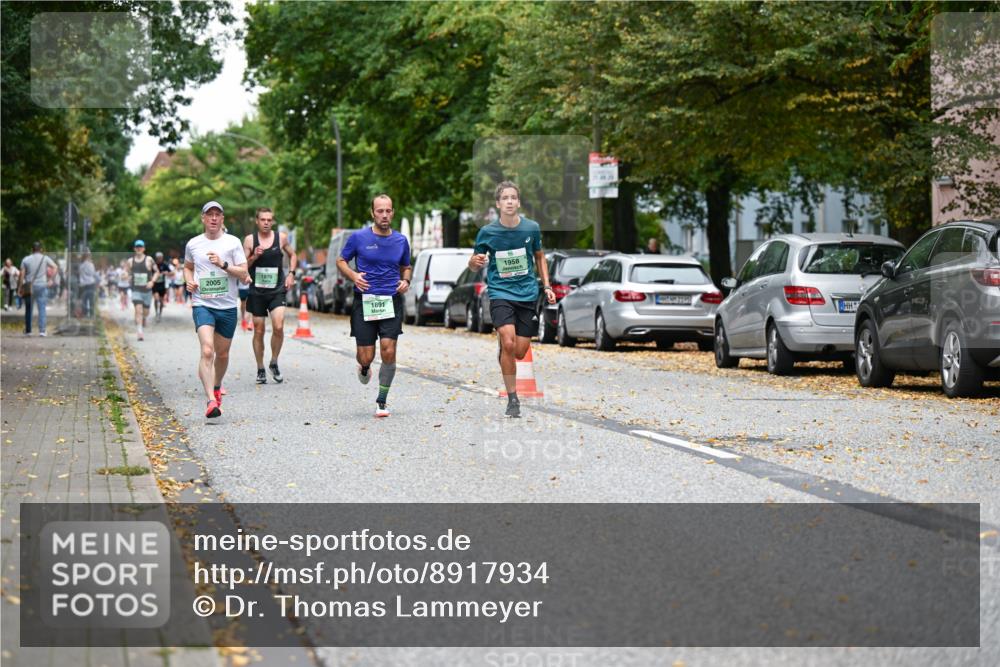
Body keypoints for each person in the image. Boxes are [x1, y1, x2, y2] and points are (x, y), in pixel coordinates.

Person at [468, 181, 556, 418]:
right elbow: (474, 263)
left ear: (518, 202)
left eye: (513, 197)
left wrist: (547, 286)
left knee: (519, 351)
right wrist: (474, 262)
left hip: (527, 293)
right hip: (500, 293)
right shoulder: (487, 232)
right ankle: (513, 399)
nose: (509, 201)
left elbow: (540, 257)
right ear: (498, 204)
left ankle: (504, 350)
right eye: (505, 198)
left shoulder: (531, 228)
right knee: (508, 342)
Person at [336, 194, 411, 418]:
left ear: (393, 212)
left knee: (389, 350)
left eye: (388, 211)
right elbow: (341, 260)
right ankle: (365, 366)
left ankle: (382, 400)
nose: (384, 215)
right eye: (380, 211)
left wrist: (406, 281)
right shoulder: (359, 237)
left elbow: (406, 266)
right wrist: (353, 276)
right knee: (366, 356)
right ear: (372, 213)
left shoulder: (401, 240)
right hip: (365, 301)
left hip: (390, 300)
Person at [183, 201, 248, 419]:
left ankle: (217, 385)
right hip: (202, 304)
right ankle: (211, 400)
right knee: (207, 350)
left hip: (227, 306)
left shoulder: (233, 242)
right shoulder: (193, 244)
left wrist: (223, 264)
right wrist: (189, 281)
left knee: (222, 354)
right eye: (209, 214)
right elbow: (188, 267)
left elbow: (243, 273)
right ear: (202, 218)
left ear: (222, 219)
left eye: (217, 214)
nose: (213, 218)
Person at [244, 207, 297, 384]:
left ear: (272, 221)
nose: (266, 223)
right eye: (263, 220)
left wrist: (291, 274)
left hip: (277, 290)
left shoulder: (281, 238)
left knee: (278, 326)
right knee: (258, 330)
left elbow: (293, 255)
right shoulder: (250, 240)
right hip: (257, 292)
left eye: (269, 220)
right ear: (257, 221)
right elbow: (242, 265)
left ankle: (274, 362)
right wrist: (253, 256)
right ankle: (260, 368)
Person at [18, 241, 58, 336]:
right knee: (42, 308)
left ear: (32, 249)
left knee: (28, 309)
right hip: (42, 286)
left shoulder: (26, 259)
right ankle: (42, 331)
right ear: (41, 249)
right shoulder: (45, 258)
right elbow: (55, 267)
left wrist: (20, 287)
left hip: (29, 287)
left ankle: (28, 331)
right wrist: (51, 280)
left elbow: (22, 274)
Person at [125, 240, 159, 341]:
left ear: (144, 248)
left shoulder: (149, 259)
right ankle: (140, 332)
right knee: (138, 310)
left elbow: (157, 272)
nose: (139, 248)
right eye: (137, 247)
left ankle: (144, 318)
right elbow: (127, 273)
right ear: (134, 249)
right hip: (136, 290)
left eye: (140, 247)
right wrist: (127, 276)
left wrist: (152, 281)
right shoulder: (130, 261)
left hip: (147, 291)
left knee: (146, 312)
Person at [78, 250, 98, 318]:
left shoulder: (81, 265)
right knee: (91, 299)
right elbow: (92, 273)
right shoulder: (90, 264)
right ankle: (91, 314)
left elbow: (80, 274)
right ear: (88, 256)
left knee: (84, 299)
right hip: (90, 283)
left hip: (83, 284)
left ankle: (84, 313)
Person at [151, 251, 171, 321]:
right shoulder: (153, 265)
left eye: (161, 257)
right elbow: (149, 273)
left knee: (161, 301)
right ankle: (156, 313)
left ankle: (160, 313)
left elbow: (172, 273)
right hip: (155, 285)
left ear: (162, 258)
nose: (159, 259)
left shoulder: (164, 265)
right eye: (158, 257)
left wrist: (166, 273)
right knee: (156, 299)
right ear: (156, 258)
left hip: (162, 285)